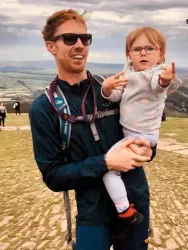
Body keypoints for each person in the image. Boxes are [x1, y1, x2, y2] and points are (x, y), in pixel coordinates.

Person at [29, 9, 156, 250]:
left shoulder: (113, 90)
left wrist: (150, 149)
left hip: (135, 203)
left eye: (84, 39)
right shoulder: (44, 108)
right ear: (50, 46)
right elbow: (53, 176)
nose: (79, 45)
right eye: (69, 39)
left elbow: (143, 127)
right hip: (92, 215)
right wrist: (106, 163)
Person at [101, 26, 181, 232]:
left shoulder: (155, 73)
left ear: (161, 54)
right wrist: (108, 88)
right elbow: (118, 97)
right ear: (129, 54)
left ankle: (124, 209)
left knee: (108, 171)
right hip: (130, 134)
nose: (143, 53)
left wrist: (166, 78)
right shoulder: (128, 74)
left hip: (141, 136)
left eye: (150, 48)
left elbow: (158, 85)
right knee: (116, 170)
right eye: (137, 49)